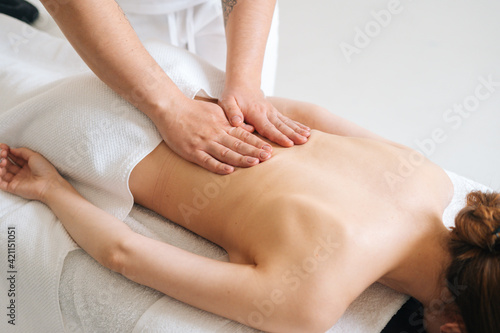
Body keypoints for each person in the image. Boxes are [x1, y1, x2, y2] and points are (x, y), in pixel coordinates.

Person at [1, 96, 498, 333]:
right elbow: (123, 253)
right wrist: (50, 189)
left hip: (174, 85)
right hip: (97, 141)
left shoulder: (429, 177)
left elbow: (309, 115)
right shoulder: (312, 302)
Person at [39, 0, 310, 175]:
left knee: (241, 128)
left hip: (227, 12)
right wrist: (171, 109)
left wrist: (246, 82)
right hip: (109, 17)